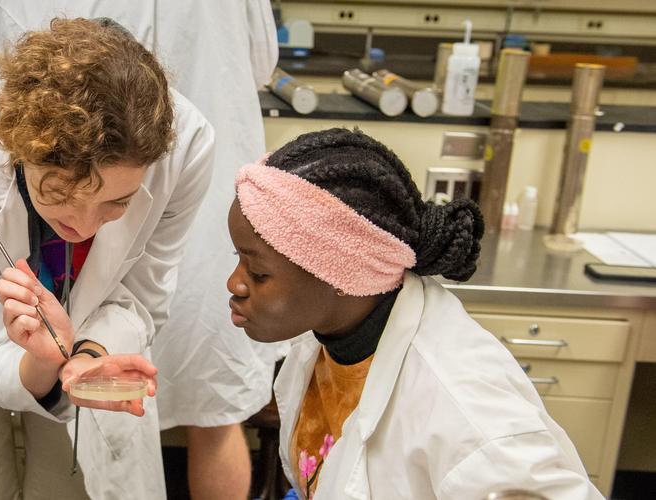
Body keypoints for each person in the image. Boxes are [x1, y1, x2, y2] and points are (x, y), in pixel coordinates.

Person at [0, 18, 214, 500]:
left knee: (67, 484)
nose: (82, 226)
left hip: (90, 324)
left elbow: (141, 295)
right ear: (22, 155)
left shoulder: (184, 150)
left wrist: (88, 356)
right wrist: (40, 363)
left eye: (116, 204)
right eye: (59, 194)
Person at [0, 3, 284, 497]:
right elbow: (262, 60)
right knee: (212, 415)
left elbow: (8, 56)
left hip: (156, 188)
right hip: (124, 191)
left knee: (203, 407)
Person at [226, 128, 601, 499]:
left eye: (258, 273)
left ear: (341, 271)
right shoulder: (332, 342)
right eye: (237, 259)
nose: (234, 284)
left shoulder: (468, 415)